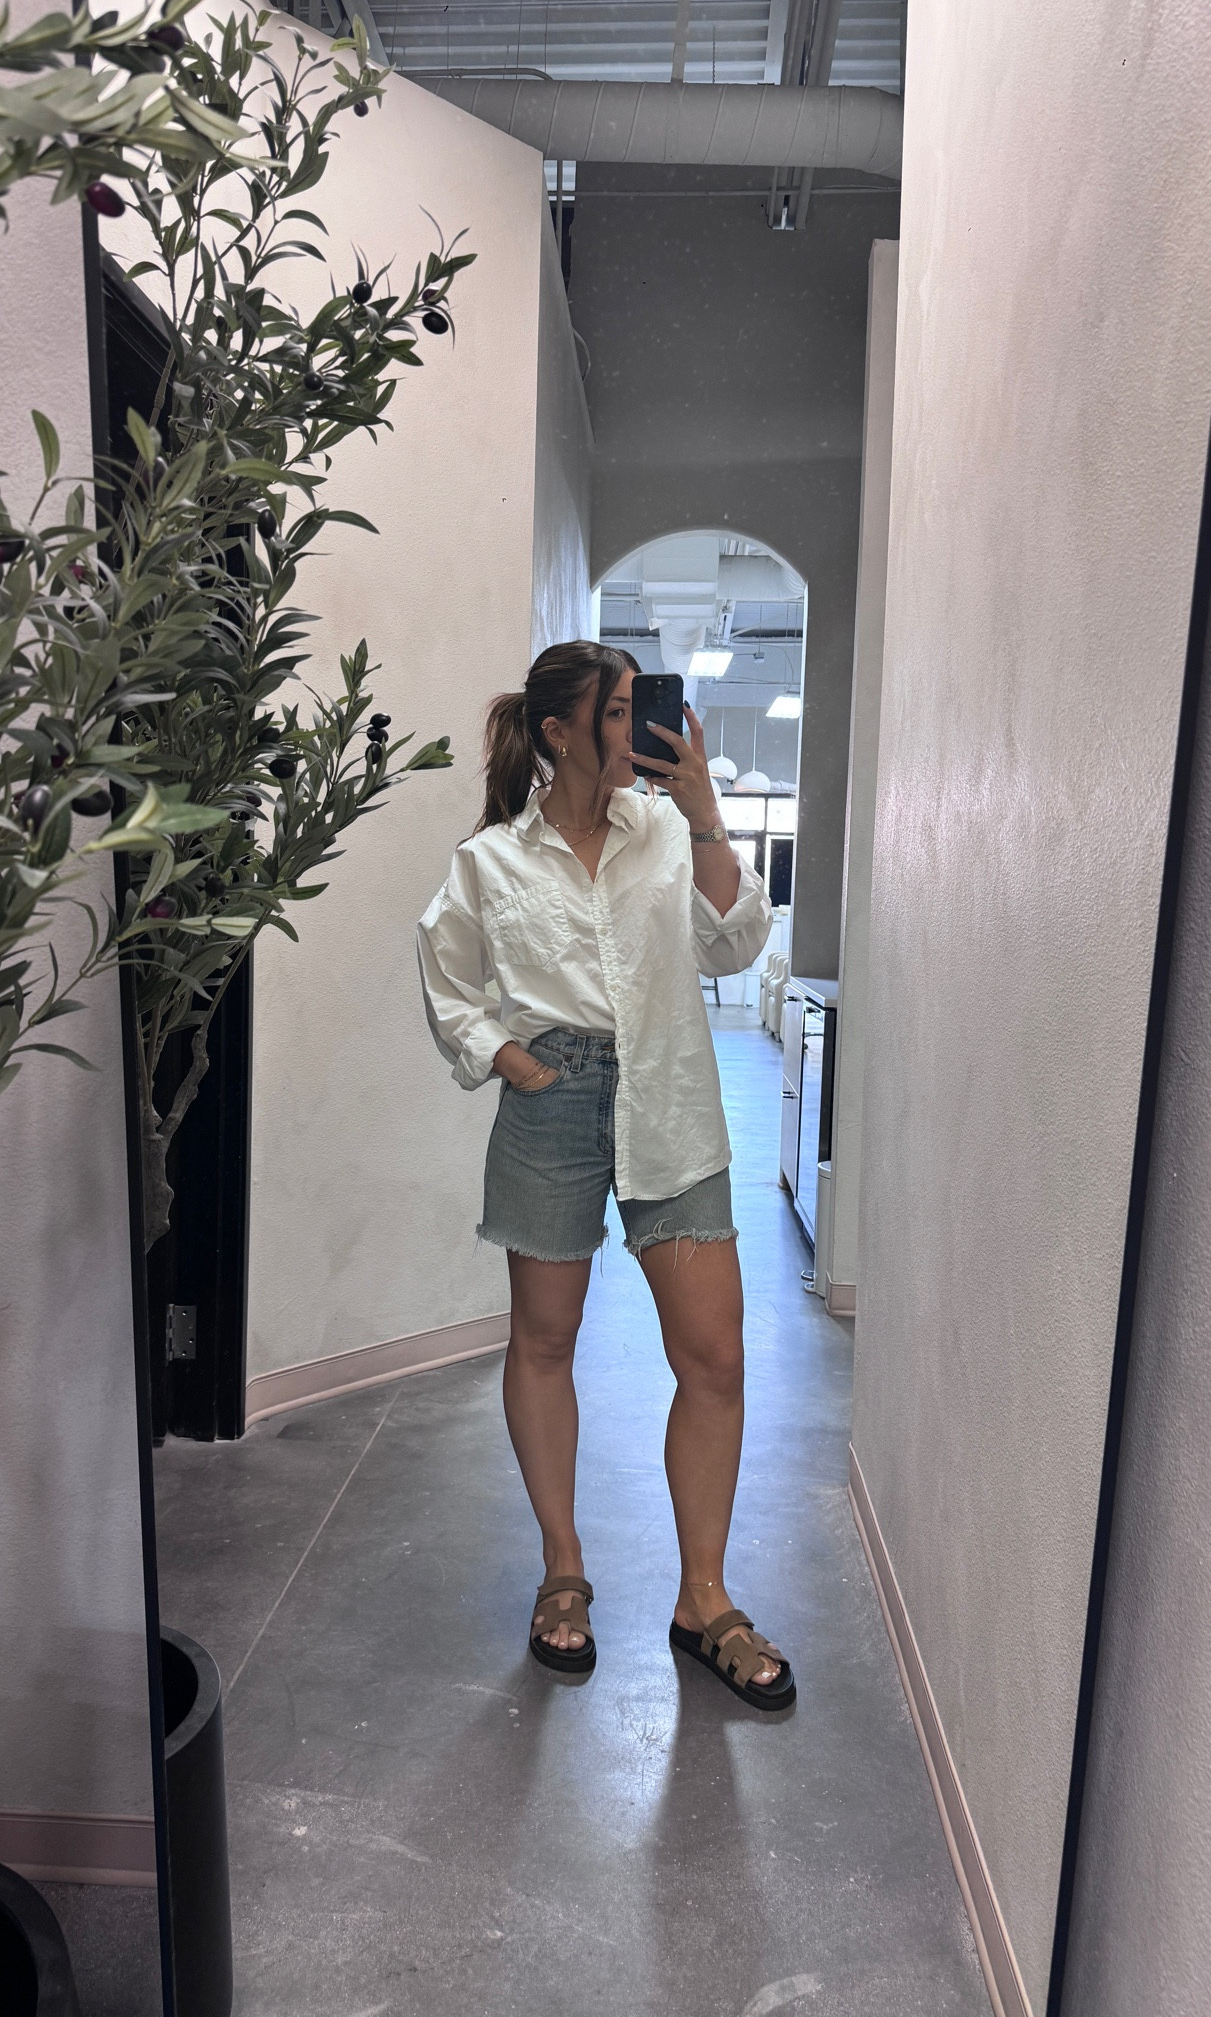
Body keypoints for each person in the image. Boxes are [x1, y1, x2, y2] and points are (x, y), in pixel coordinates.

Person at [415, 639, 795, 1711]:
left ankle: (704, 1599)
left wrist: (707, 808)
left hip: (668, 1093)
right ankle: (563, 1567)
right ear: (559, 732)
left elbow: (733, 945)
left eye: (640, 706)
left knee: (715, 1355)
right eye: (619, 711)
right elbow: (445, 973)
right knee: (544, 1341)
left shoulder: (668, 827)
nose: (640, 726)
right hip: (552, 1104)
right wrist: (505, 1055)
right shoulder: (493, 859)